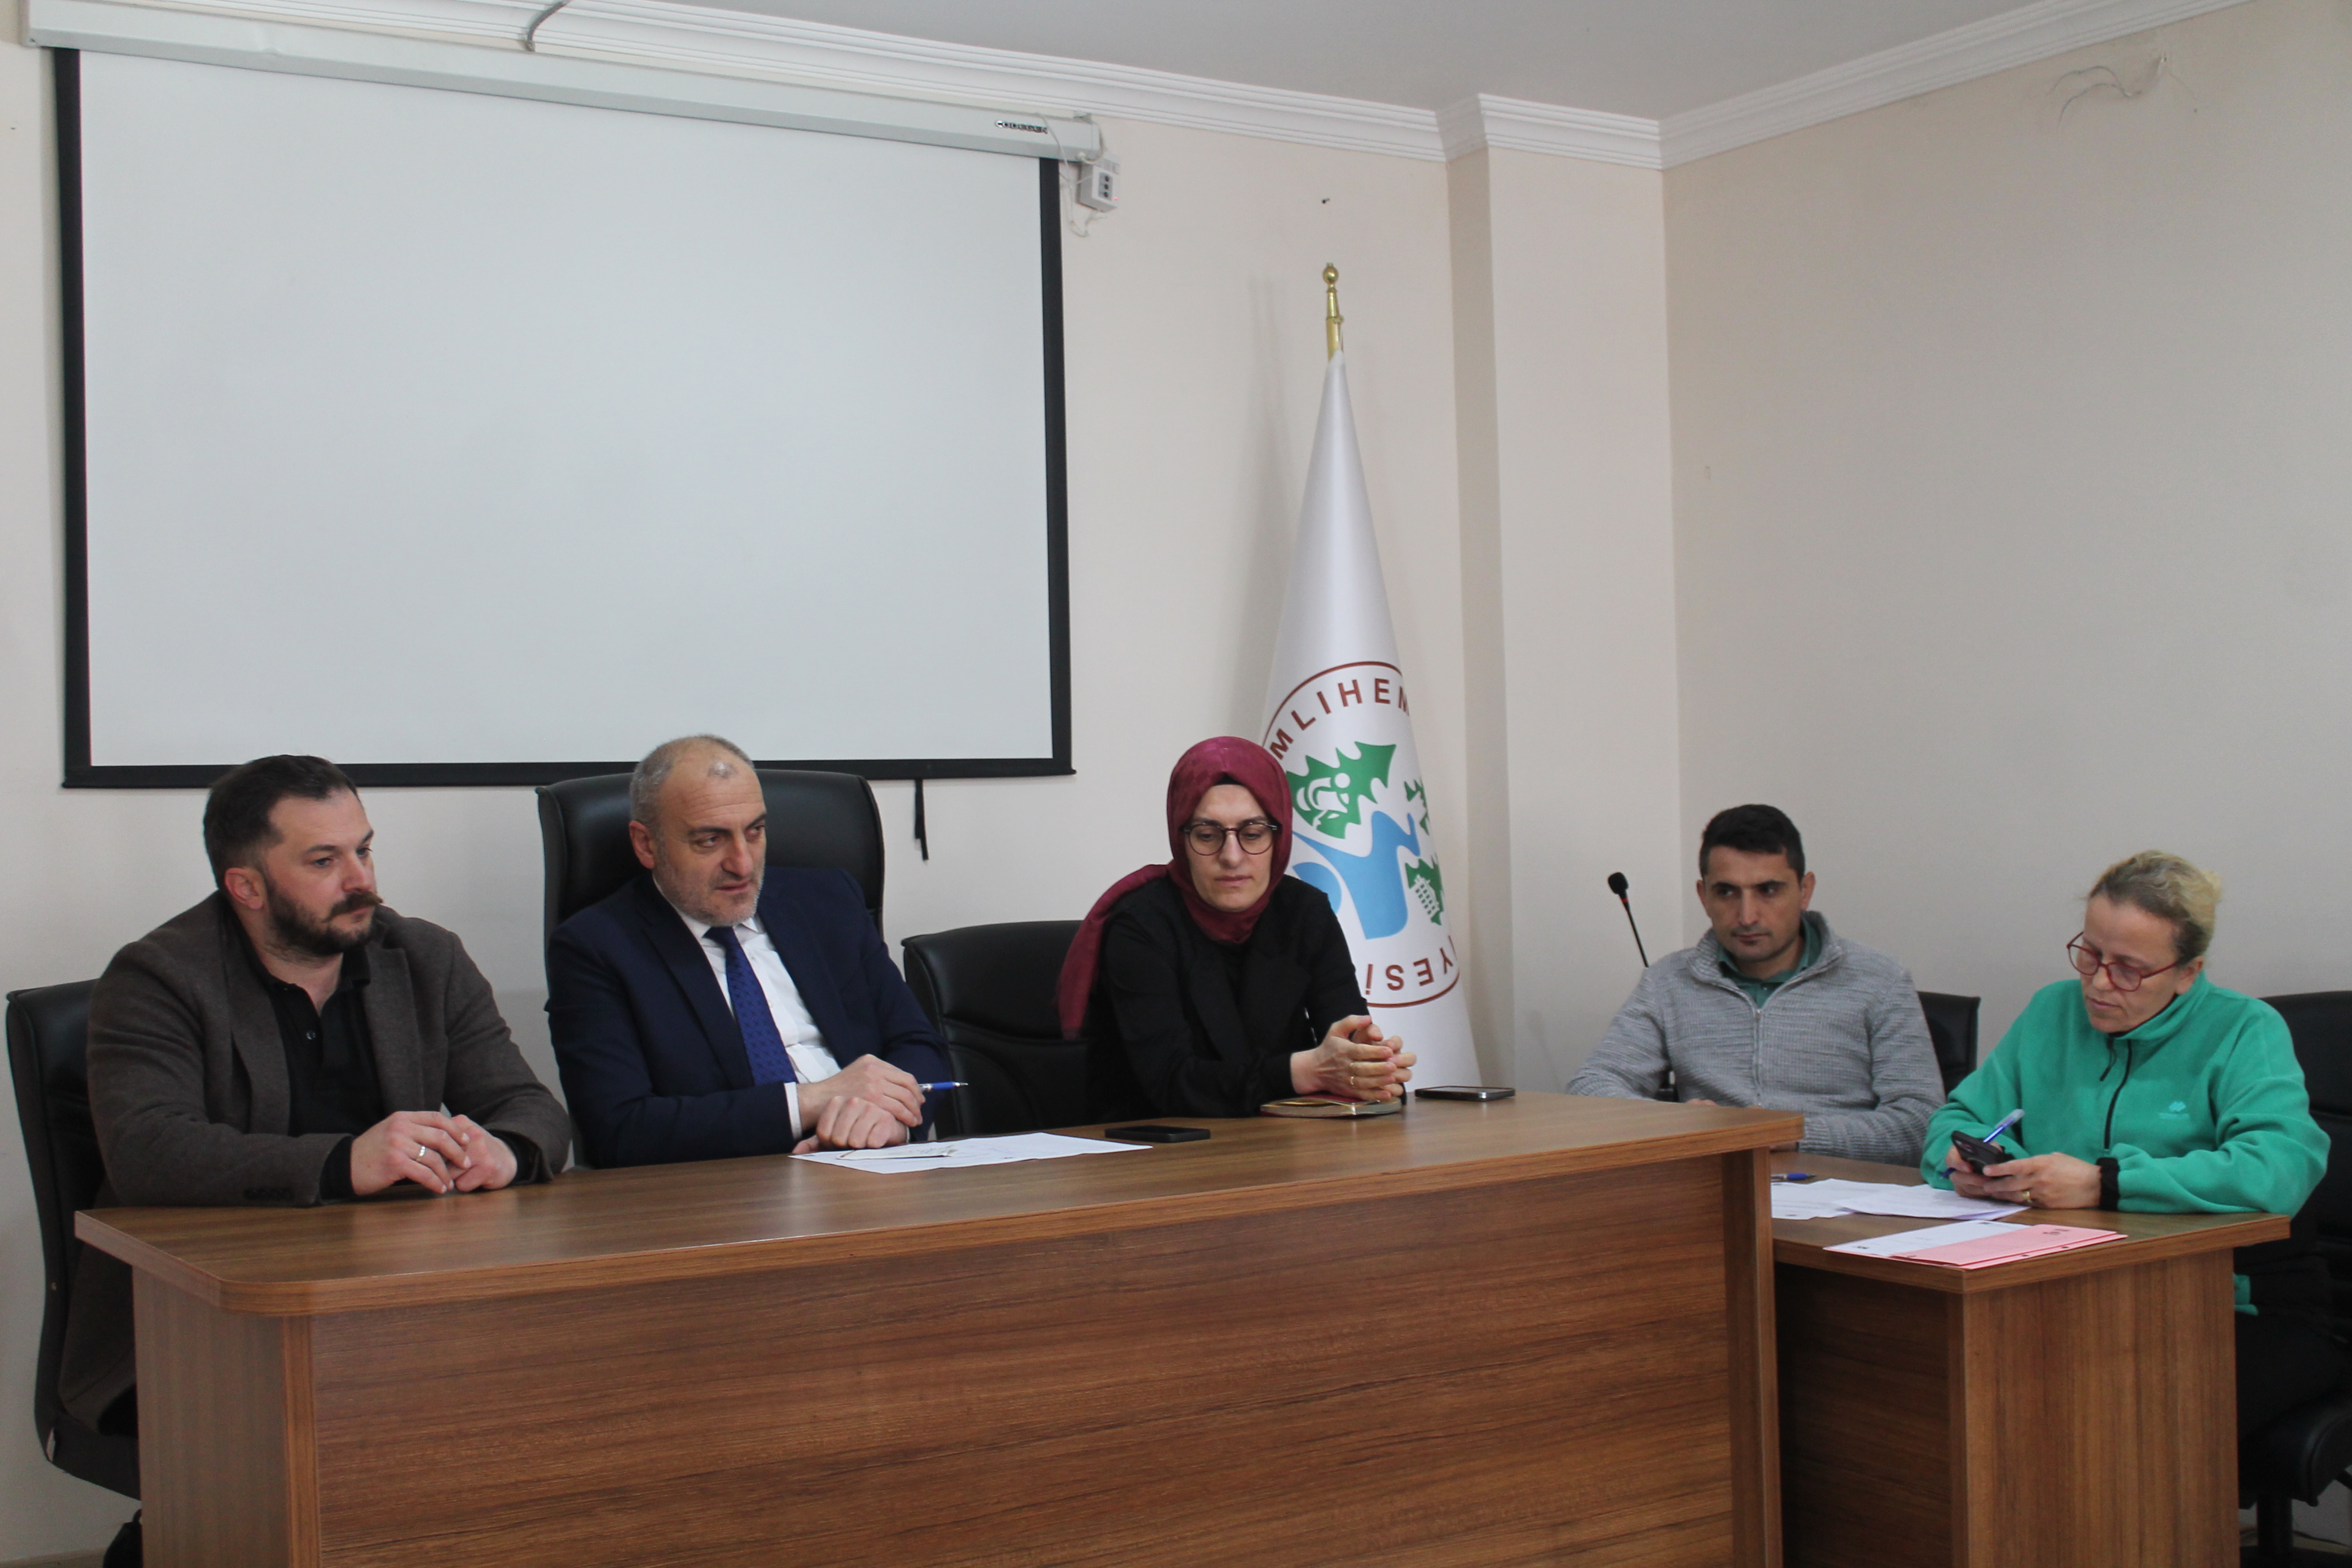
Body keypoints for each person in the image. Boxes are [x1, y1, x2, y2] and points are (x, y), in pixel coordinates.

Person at [68, 755, 571, 1565]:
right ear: (246, 886)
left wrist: (504, 1152)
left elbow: (532, 1108)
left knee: (555, 1400)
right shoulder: (159, 976)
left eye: (364, 850)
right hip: (213, 1323)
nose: (360, 879)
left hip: (396, 1304)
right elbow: (148, 1150)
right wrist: (342, 1163)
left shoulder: (424, 957)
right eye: (324, 860)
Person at [1923, 851, 2336, 1438]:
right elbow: (1960, 1116)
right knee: (1956, 1379)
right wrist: (1967, 1162)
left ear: (2188, 972)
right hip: (2072, 1289)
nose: (2098, 982)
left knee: (2117, 1417)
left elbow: (2278, 1168)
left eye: (2128, 969)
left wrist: (2106, 1182)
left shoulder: (2245, 1029)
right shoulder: (2050, 1011)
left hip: (2232, 1302)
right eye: (2090, 954)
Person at [547, 735, 947, 1166]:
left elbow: (918, 1044)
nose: (742, 864)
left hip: (873, 1166)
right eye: (710, 840)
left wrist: (891, 1118)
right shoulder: (597, 948)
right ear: (647, 845)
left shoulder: (828, 902)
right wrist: (812, 1101)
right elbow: (620, 1128)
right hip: (731, 1186)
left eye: (754, 832)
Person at [1061, 736, 1414, 1120]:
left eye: (1253, 833)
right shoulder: (1140, 925)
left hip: (1283, 1138)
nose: (1232, 857)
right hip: (1158, 1144)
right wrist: (1306, 1072)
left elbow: (1345, 1036)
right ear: (1181, 838)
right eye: (1207, 835)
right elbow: (1171, 1084)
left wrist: (1369, 1066)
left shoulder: (1305, 911)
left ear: (1279, 837)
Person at [1567, 804, 1943, 1162]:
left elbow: (1920, 1123)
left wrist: (1793, 1134)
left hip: (1846, 1192)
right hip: (1716, 1185)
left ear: (1805, 890)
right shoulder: (1667, 982)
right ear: (1703, 896)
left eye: (1768, 890)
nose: (1747, 916)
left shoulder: (1879, 980)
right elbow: (1591, 1087)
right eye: (1726, 892)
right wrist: (1673, 1123)